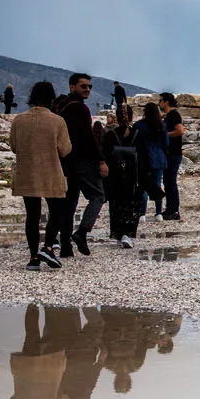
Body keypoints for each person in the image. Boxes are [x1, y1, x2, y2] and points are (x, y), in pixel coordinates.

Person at [10, 81, 71, 270]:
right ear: (51, 98)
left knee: (32, 215)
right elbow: (65, 149)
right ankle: (48, 246)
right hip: (50, 171)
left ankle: (33, 257)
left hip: (27, 172)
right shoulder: (57, 121)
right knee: (58, 211)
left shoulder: (19, 120)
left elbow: (13, 146)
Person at [58, 73, 108, 257]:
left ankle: (65, 246)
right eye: (83, 86)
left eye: (89, 86)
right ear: (72, 87)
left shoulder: (60, 106)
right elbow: (88, 138)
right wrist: (101, 160)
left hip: (65, 161)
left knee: (69, 204)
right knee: (98, 196)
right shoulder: (80, 109)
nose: (87, 89)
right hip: (81, 161)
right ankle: (82, 232)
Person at [100, 107, 140, 247]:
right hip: (133, 173)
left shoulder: (112, 134)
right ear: (131, 116)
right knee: (132, 203)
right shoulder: (137, 133)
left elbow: (105, 154)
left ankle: (118, 233)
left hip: (116, 174)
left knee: (116, 204)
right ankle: (128, 234)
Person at [132, 102, 168, 221]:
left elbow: (134, 142)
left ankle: (142, 213)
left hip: (143, 158)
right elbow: (166, 143)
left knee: (143, 185)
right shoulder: (161, 125)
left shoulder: (139, 125)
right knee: (157, 184)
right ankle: (158, 213)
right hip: (158, 158)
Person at [157, 92, 184, 220]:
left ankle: (173, 210)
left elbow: (180, 131)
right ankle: (170, 209)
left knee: (170, 182)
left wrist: (165, 135)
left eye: (160, 101)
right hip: (169, 153)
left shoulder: (174, 114)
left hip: (173, 153)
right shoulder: (169, 115)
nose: (159, 103)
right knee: (168, 182)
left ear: (166, 102)